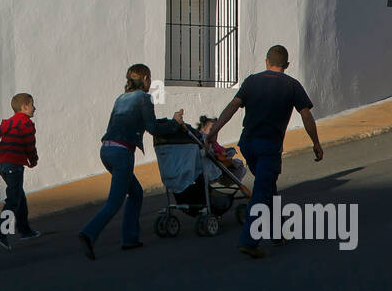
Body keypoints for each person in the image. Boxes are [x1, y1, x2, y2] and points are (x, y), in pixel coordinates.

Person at [207, 45, 323, 259]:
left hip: (248, 145)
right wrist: (316, 142)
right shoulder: (292, 85)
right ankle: (249, 241)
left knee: (267, 186)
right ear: (287, 65)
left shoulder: (252, 81)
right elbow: (306, 115)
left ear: (266, 62)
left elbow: (232, 106)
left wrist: (214, 131)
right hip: (269, 147)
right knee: (261, 191)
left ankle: (277, 233)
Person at [79, 64, 184, 259]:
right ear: (145, 78)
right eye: (150, 79)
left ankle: (130, 239)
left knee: (135, 193)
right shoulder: (144, 98)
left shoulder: (121, 99)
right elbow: (152, 128)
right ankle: (89, 233)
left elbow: (136, 122)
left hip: (107, 150)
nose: (151, 83)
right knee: (115, 201)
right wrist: (175, 124)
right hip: (122, 152)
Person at [0, 92, 40, 249]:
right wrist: (33, 160)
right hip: (14, 166)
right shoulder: (26, 124)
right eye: (32, 105)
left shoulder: (8, 123)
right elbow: (30, 146)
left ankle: (25, 230)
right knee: (13, 200)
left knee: (19, 196)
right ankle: (1, 232)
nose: (34, 108)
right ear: (24, 107)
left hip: (3, 166)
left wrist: (1, 150)